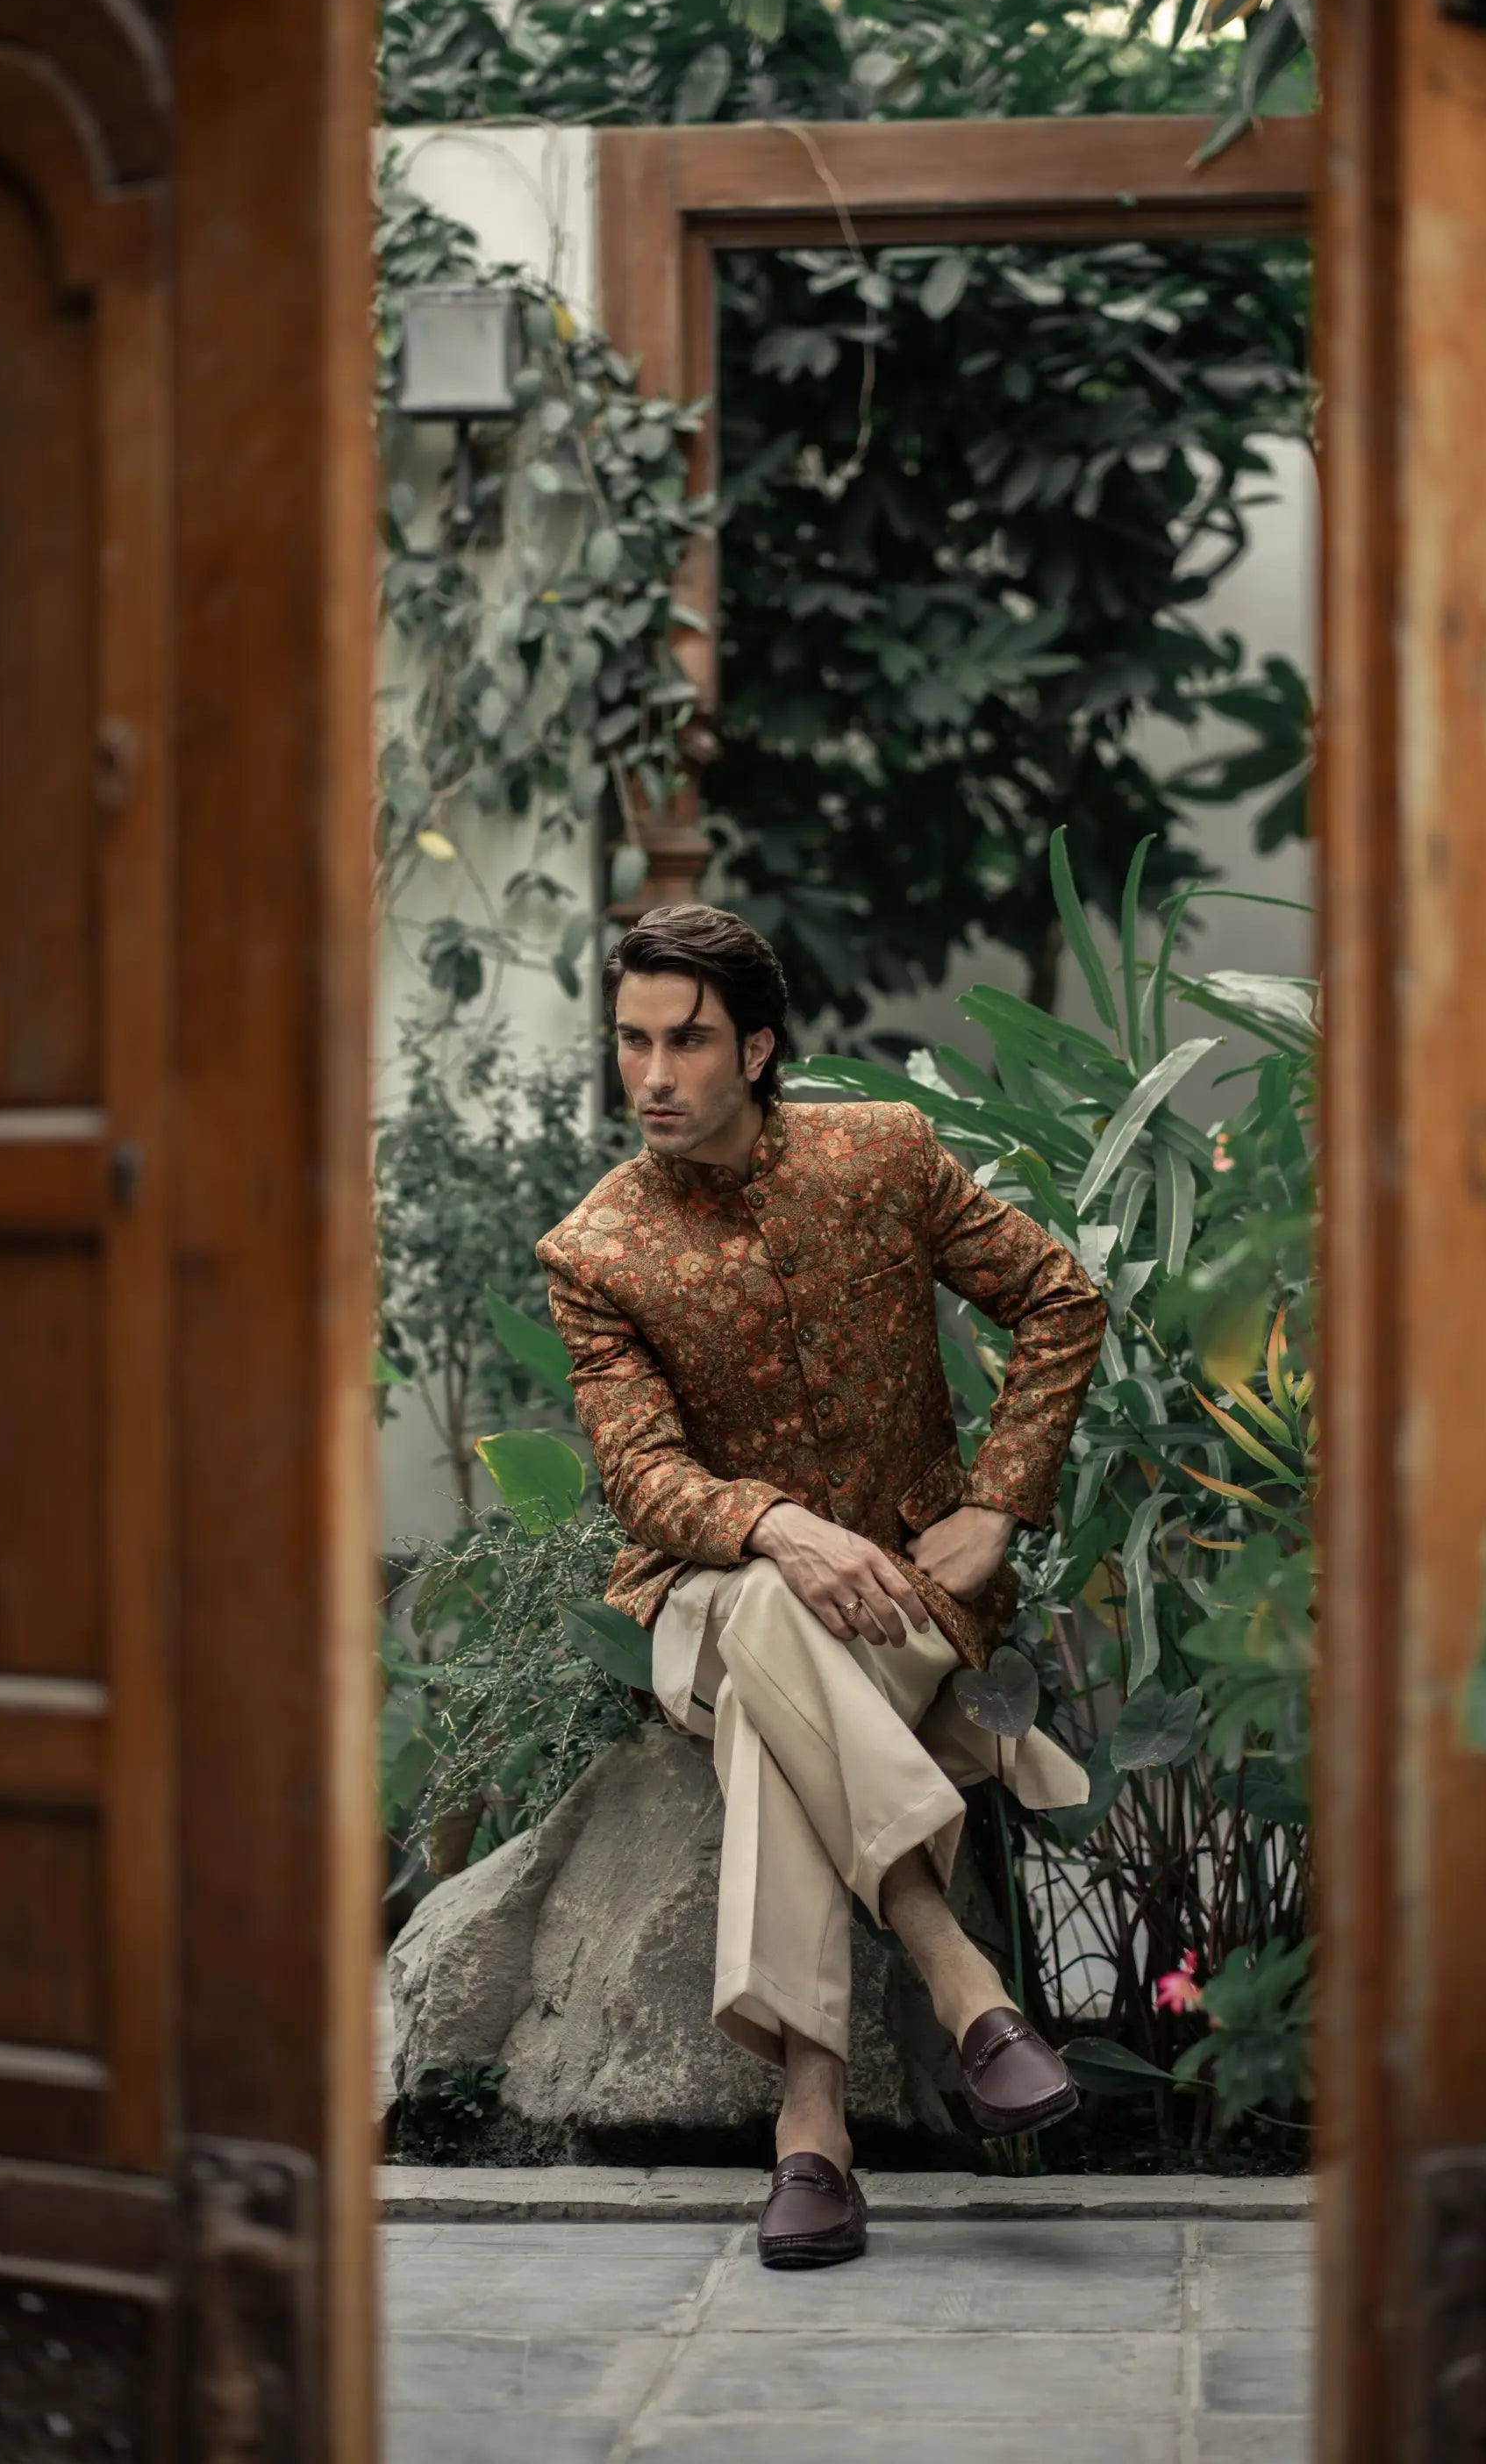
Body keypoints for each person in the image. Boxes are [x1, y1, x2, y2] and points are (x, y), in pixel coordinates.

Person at [537, 903, 1105, 2269]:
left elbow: (1061, 1300)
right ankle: (959, 1974)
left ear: (759, 1046)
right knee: (770, 1603)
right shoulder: (596, 1249)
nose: (656, 1075)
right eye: (632, 1042)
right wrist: (779, 1525)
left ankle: (810, 2131)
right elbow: (643, 1476)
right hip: (705, 1605)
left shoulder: (884, 1157)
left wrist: (998, 1504)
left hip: (909, 1597)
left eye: (688, 1041)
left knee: (779, 1717)